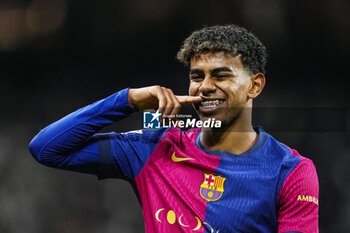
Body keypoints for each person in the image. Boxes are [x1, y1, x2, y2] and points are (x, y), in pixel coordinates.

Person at [29, 24, 319, 233]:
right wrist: (127, 100)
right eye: (197, 76)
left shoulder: (290, 171)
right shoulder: (154, 147)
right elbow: (46, 149)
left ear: (254, 85)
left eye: (220, 75)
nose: (205, 87)